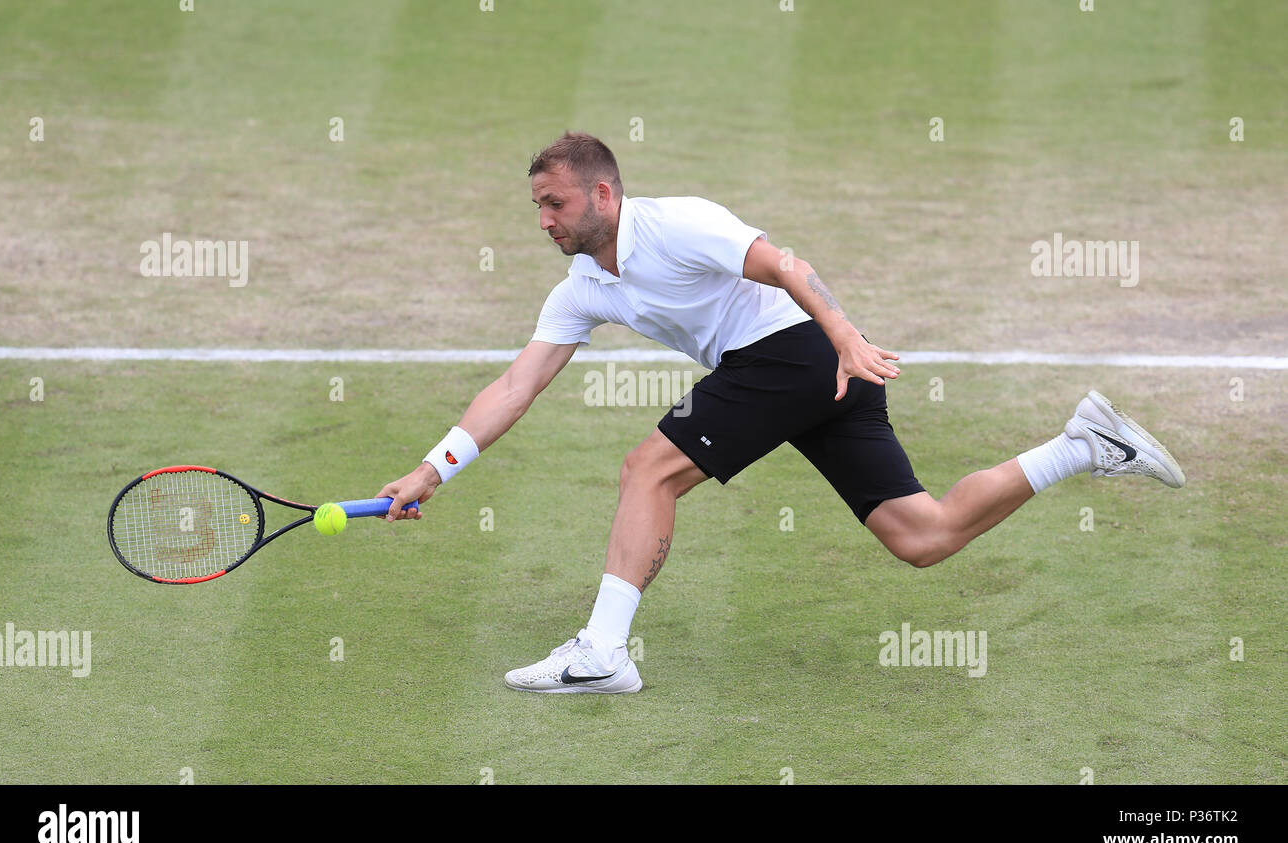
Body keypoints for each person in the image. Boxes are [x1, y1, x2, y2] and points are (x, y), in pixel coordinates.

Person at [377, 132, 1185, 694]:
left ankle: (602, 652)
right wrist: (432, 468)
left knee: (646, 469)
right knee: (922, 535)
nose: (544, 221)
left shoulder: (678, 223)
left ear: (602, 192)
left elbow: (786, 265)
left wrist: (843, 339)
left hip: (796, 350)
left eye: (553, 203)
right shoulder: (582, 287)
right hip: (806, 367)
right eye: (537, 209)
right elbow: (517, 385)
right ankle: (1085, 444)